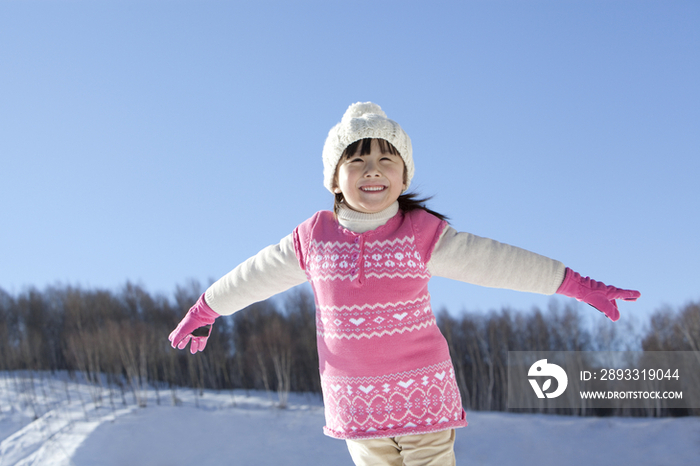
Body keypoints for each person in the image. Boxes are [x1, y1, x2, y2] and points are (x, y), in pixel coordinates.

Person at [169, 102, 640, 466]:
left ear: (403, 174)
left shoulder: (420, 233)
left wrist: (577, 284)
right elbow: (254, 275)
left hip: (423, 396)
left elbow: (499, 263)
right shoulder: (313, 238)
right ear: (335, 179)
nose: (372, 169)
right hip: (357, 409)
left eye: (385, 159)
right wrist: (207, 309)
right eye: (356, 160)